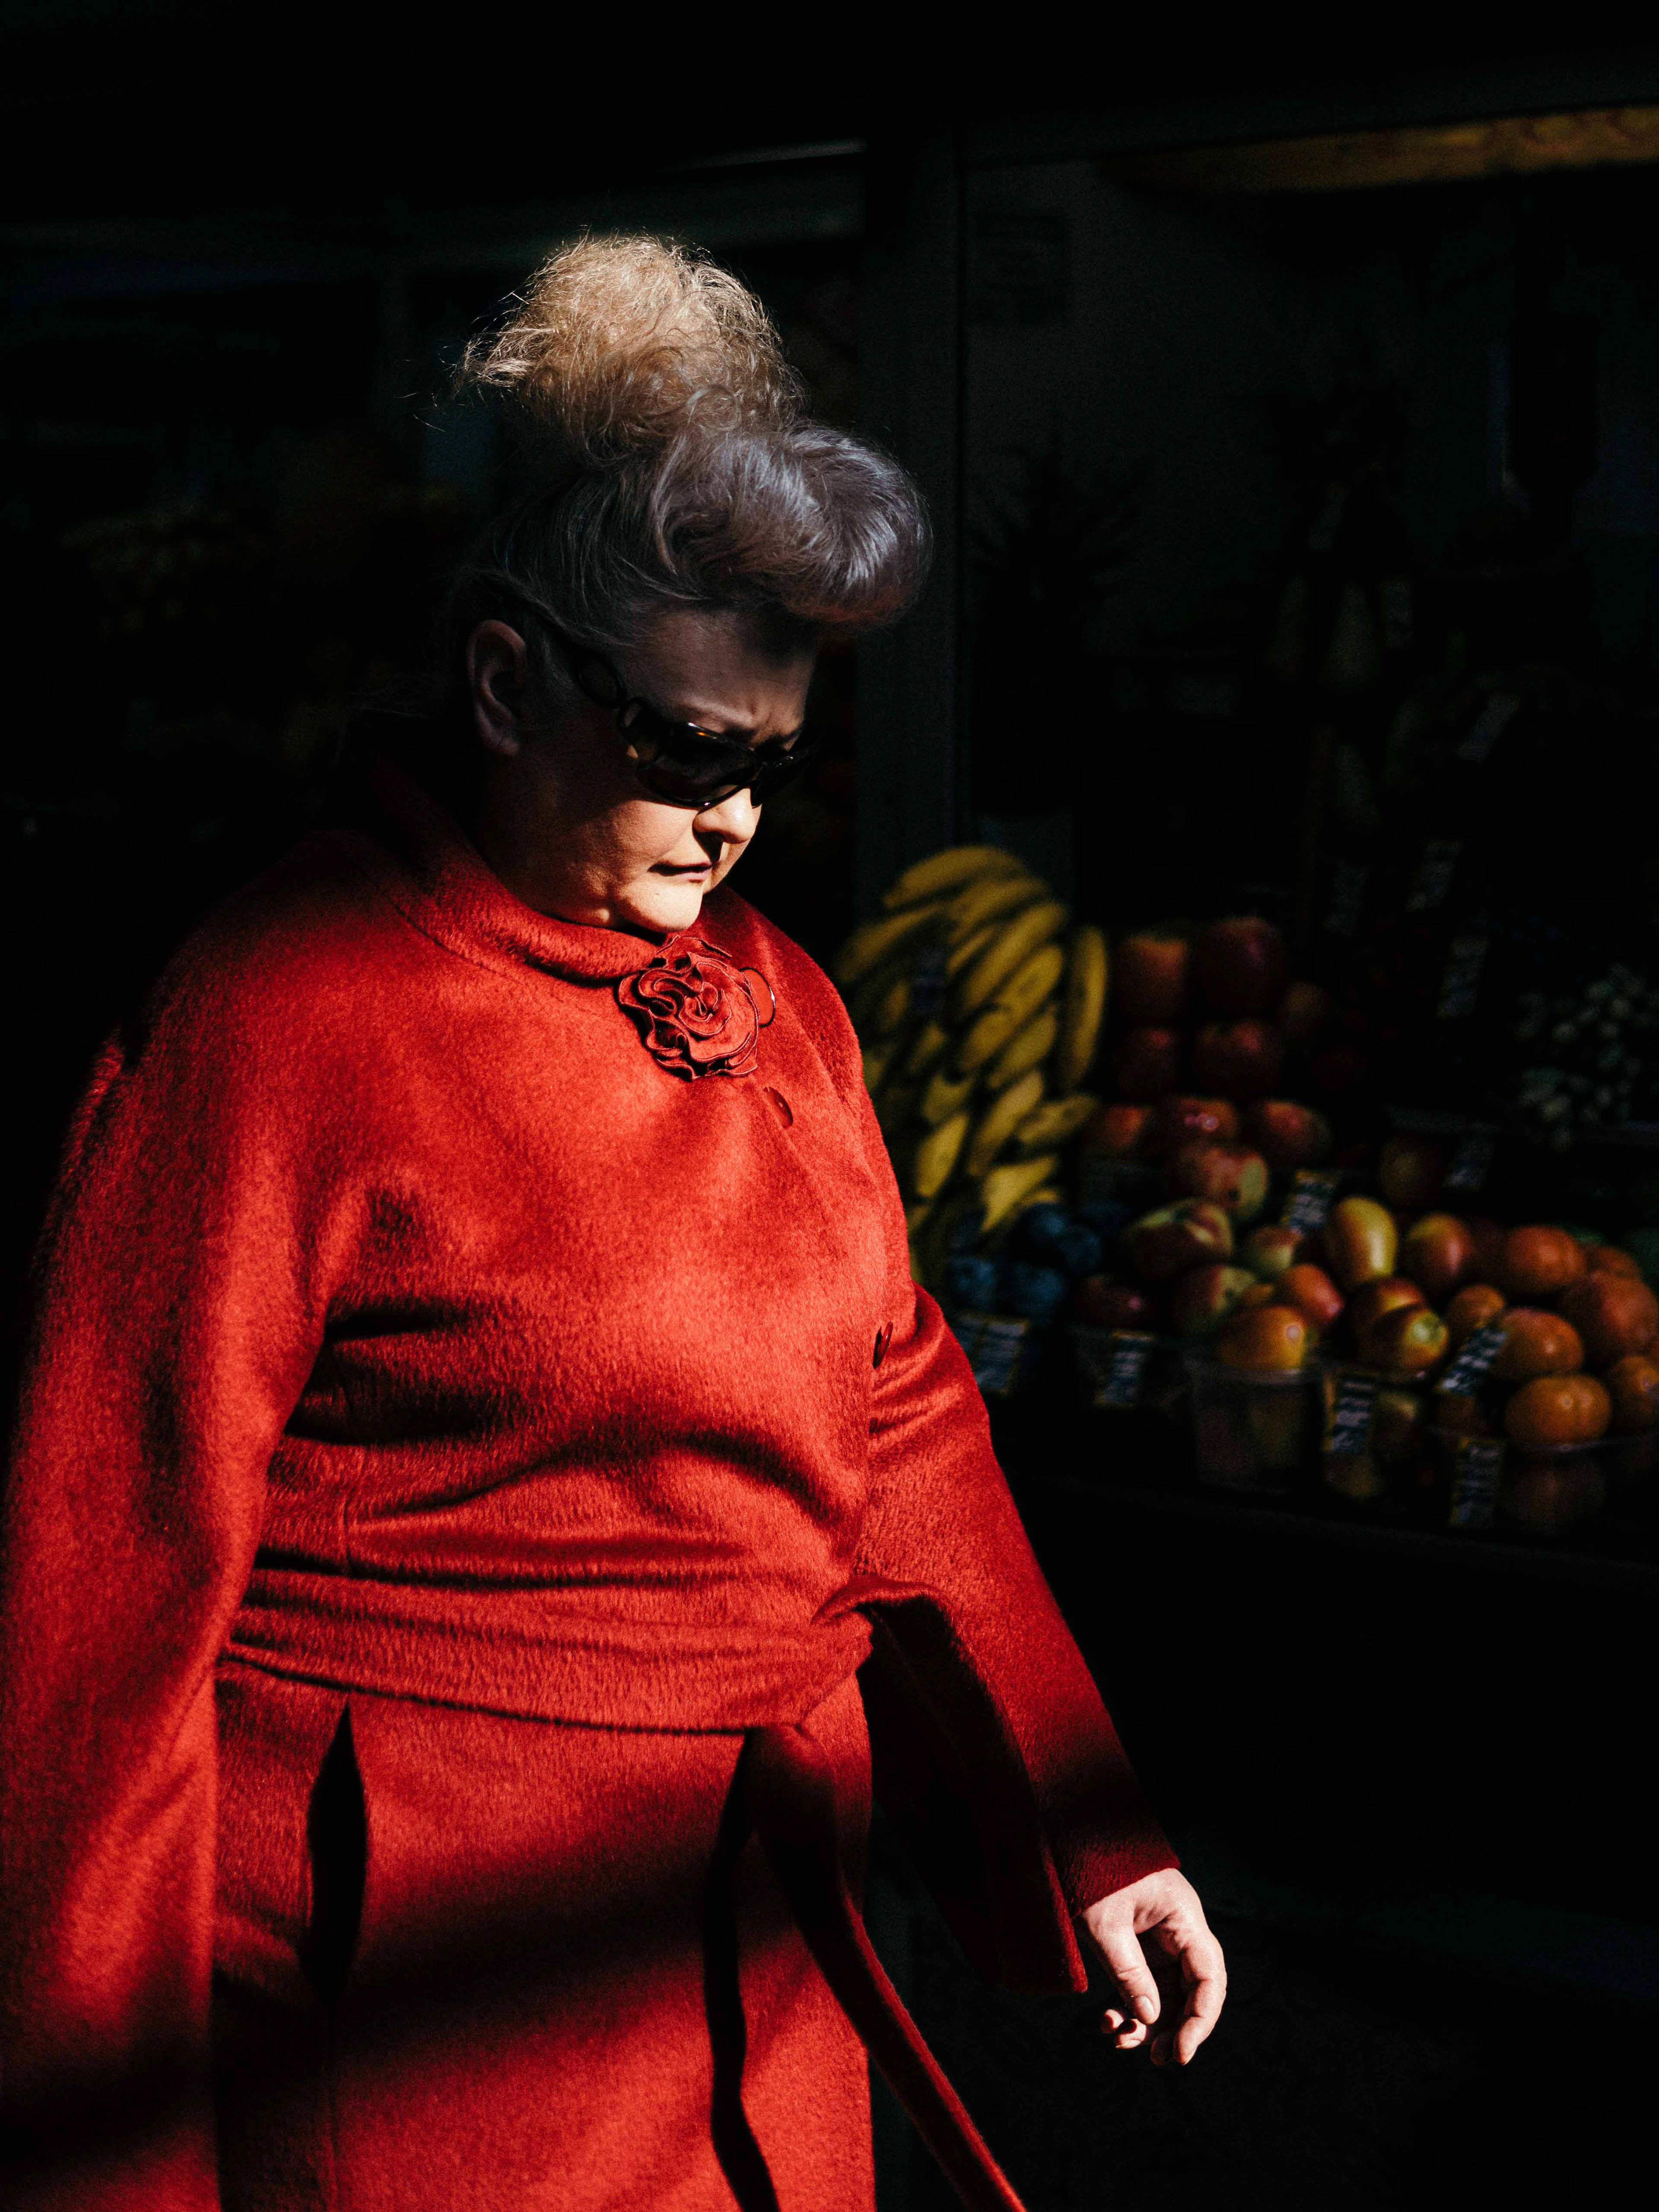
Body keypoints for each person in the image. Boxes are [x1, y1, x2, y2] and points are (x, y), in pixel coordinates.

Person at [0, 238, 1225, 2212]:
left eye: (776, 762)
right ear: (505, 682)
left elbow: (902, 1418)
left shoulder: (786, 1000)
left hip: (760, 1959)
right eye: (686, 748)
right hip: (430, 1988)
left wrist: (1094, 1825)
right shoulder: (278, 1012)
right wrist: (102, 2161)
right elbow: (96, 1627)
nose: (736, 816)